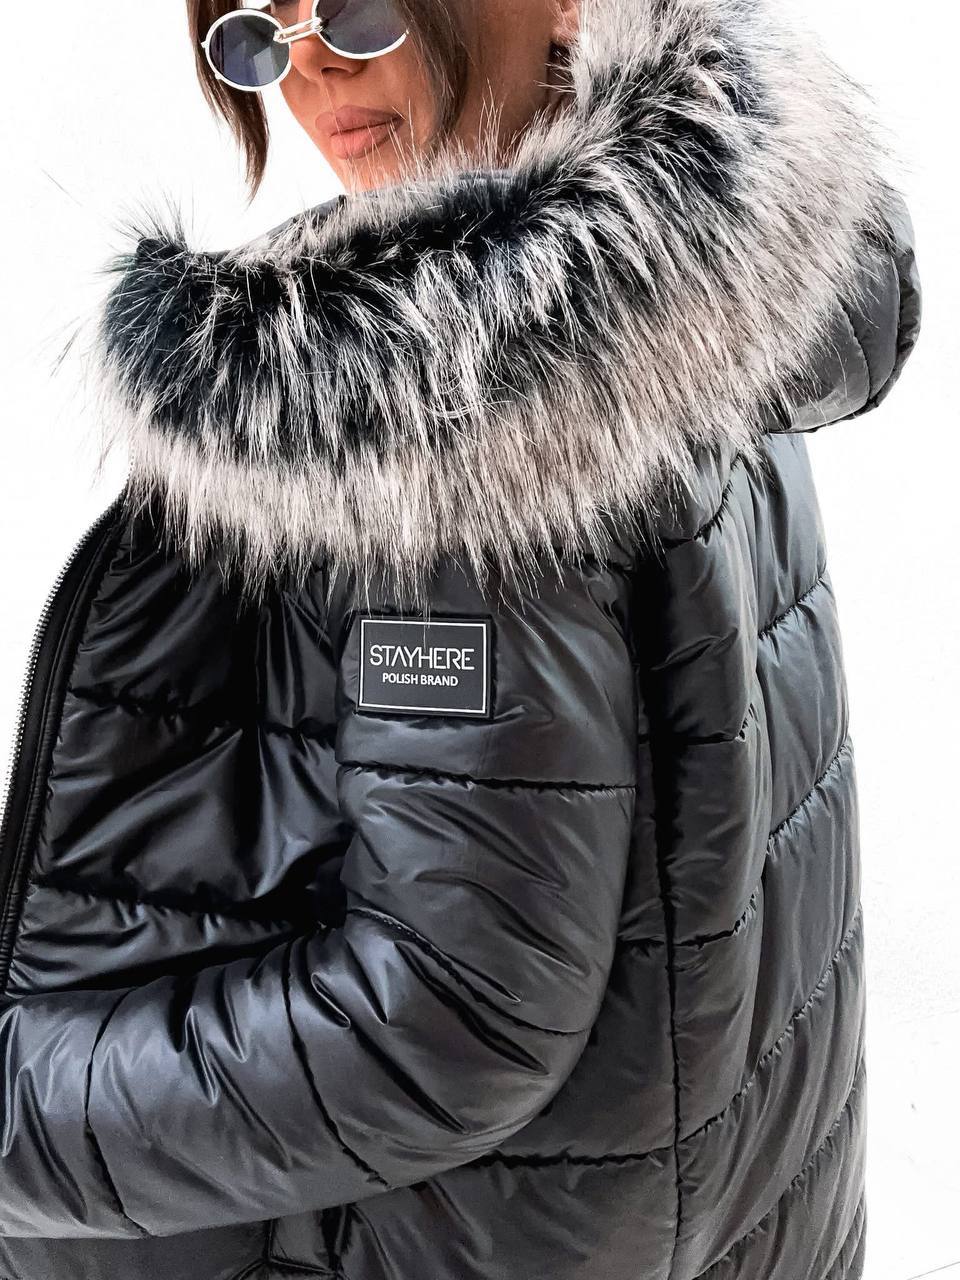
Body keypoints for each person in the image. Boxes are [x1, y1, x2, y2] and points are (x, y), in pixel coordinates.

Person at [0, 1, 921, 1278]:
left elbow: (446, 1019)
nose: (311, 68)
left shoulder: (452, 418)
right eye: (256, 34)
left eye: (359, 9)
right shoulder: (704, 285)